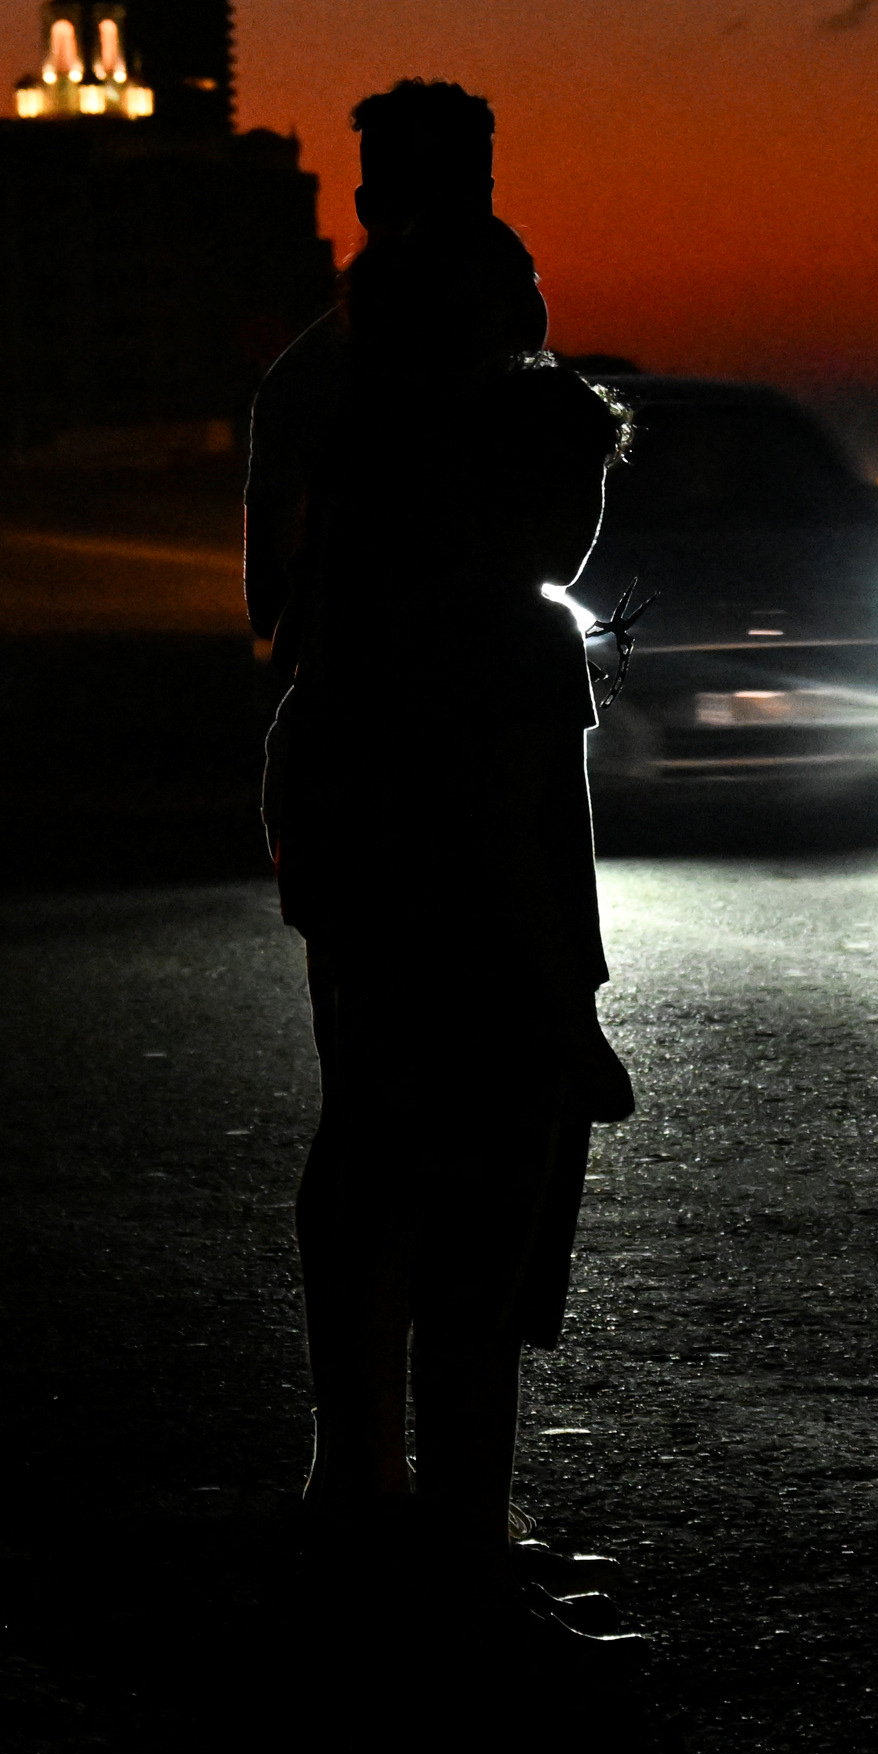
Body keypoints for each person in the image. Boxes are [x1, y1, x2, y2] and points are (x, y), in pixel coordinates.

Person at [243, 79, 633, 1601]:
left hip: (347, 788)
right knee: (479, 1176)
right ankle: (456, 1503)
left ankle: (368, 1472)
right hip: (423, 815)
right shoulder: (493, 417)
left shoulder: (322, 379)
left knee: (372, 1139)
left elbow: (274, 607)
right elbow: (513, 810)